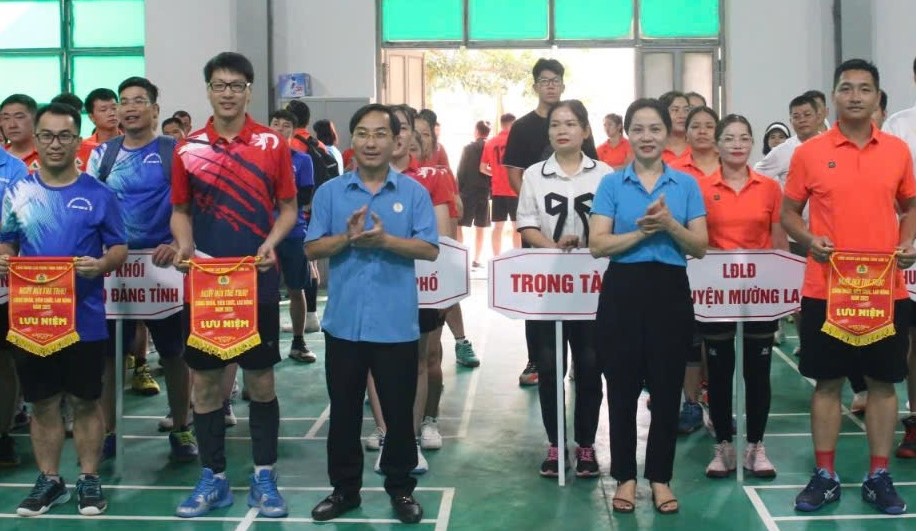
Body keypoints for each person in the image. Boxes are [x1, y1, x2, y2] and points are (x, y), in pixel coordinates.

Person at [782, 59, 915, 515]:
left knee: (882, 384)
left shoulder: (898, 151)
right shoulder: (809, 153)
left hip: (884, 291)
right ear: (832, 97)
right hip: (827, 288)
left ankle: (879, 475)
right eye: (846, 88)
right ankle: (825, 475)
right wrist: (808, 239)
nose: (855, 95)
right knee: (827, 383)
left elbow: (910, 205)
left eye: (864, 88)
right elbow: (788, 215)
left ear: (878, 97)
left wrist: (908, 241)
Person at [170, 52, 297, 519]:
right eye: (219, 84)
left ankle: (265, 474)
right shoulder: (188, 148)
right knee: (204, 384)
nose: (228, 92)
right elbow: (180, 211)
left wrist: (271, 243)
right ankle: (214, 477)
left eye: (237, 85)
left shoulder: (270, 144)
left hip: (256, 280)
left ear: (249, 90)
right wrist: (183, 246)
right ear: (208, 89)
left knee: (260, 381)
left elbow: (287, 206)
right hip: (204, 283)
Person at [305, 103, 438, 524]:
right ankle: (345, 491)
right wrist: (347, 237)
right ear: (351, 140)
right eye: (363, 133)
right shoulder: (330, 193)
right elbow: (311, 248)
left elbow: (430, 248)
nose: (371, 142)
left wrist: (385, 242)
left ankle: (400, 489)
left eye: (380, 134)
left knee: (399, 417)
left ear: (396, 139)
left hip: (395, 325)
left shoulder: (413, 193)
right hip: (344, 324)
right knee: (343, 412)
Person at [0, 102, 128, 516]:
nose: (56, 144)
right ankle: (50, 480)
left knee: (86, 400)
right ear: (36, 140)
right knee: (42, 402)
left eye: (64, 136)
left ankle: (89, 479)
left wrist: (103, 264)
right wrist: (4, 254)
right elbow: (8, 240)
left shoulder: (99, 194)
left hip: (85, 319)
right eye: (48, 136)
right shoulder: (18, 193)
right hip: (34, 318)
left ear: (77, 140)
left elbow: (119, 247)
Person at [589, 98, 707, 515]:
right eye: (638, 129)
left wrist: (670, 224)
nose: (646, 137)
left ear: (666, 133)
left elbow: (701, 246)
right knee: (619, 389)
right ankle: (624, 476)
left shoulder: (686, 185)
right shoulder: (611, 184)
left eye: (654, 128)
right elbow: (597, 244)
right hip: (622, 291)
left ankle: (660, 478)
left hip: (670, 292)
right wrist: (642, 233)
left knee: (665, 387)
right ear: (628, 134)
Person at [86, 76, 197, 463]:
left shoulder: (176, 152)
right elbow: (92, 206)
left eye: (139, 101)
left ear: (154, 108)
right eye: (123, 101)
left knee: (173, 353)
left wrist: (177, 245)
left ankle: (182, 426)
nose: (130, 107)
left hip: (161, 264)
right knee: (109, 356)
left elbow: (190, 206)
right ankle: (109, 430)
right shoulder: (102, 155)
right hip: (114, 266)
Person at [516, 100, 608, 478]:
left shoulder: (605, 174)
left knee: (589, 365)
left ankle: (585, 445)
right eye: (555, 125)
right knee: (551, 366)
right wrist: (552, 247)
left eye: (571, 123)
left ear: (585, 131)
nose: (562, 130)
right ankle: (556, 445)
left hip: (593, 287)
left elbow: (612, 224)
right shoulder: (535, 175)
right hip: (549, 285)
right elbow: (526, 224)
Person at [698, 114, 788, 479]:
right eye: (729, 137)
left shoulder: (768, 187)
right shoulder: (701, 187)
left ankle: (755, 446)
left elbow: (779, 239)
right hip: (717, 295)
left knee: (758, 372)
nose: (737, 144)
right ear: (717, 144)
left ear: (752, 144)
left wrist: (786, 287)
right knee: (719, 373)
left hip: (759, 294)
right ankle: (723, 446)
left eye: (744, 138)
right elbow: (697, 242)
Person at [504, 58, 567, 388]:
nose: (550, 85)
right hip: (535, 225)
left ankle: (575, 358)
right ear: (535, 86)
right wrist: (534, 207)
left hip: (572, 227)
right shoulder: (523, 127)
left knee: (573, 287)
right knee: (538, 289)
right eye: (544, 80)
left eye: (555, 80)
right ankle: (536, 358)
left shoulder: (574, 122)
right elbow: (514, 174)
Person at [882, 59, 916, 460]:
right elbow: (889, 195)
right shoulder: (898, 128)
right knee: (911, 343)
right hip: (908, 254)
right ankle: (915, 420)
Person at [268, 109, 317, 363]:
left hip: (294, 233)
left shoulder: (302, 160)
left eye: (285, 125)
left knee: (296, 288)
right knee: (266, 293)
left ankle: (298, 342)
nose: (279, 128)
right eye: (275, 123)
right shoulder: (258, 159)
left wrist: (280, 201)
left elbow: (305, 199)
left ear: (293, 130)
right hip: (263, 236)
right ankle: (268, 344)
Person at [0, 144, 29, 468]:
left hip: (4, 284)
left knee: (4, 361)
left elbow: (18, 226)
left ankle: (3, 434)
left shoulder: (15, 169)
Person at [481, 113, 519, 259]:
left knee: (497, 227)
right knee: (517, 227)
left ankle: (497, 258)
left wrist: (496, 173)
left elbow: (482, 168)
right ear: (513, 124)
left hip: (497, 190)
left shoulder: (490, 142)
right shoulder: (517, 142)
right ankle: (518, 257)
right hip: (515, 189)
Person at [456, 119, 491, 267]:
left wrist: (458, 190)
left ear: (476, 131)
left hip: (468, 191)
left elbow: (461, 171)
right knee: (481, 226)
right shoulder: (491, 147)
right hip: (484, 191)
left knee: (459, 224)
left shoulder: (468, 148)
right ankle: (477, 260)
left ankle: (459, 258)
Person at [1, 94, 40, 171]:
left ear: (35, 119)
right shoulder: (1, 153)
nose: (12, 125)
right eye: (6, 118)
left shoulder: (49, 154)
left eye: (19, 117)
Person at [659, 91, 691, 163]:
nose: (682, 115)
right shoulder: (655, 150)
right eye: (675, 110)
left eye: (686, 110)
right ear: (662, 114)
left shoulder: (697, 148)